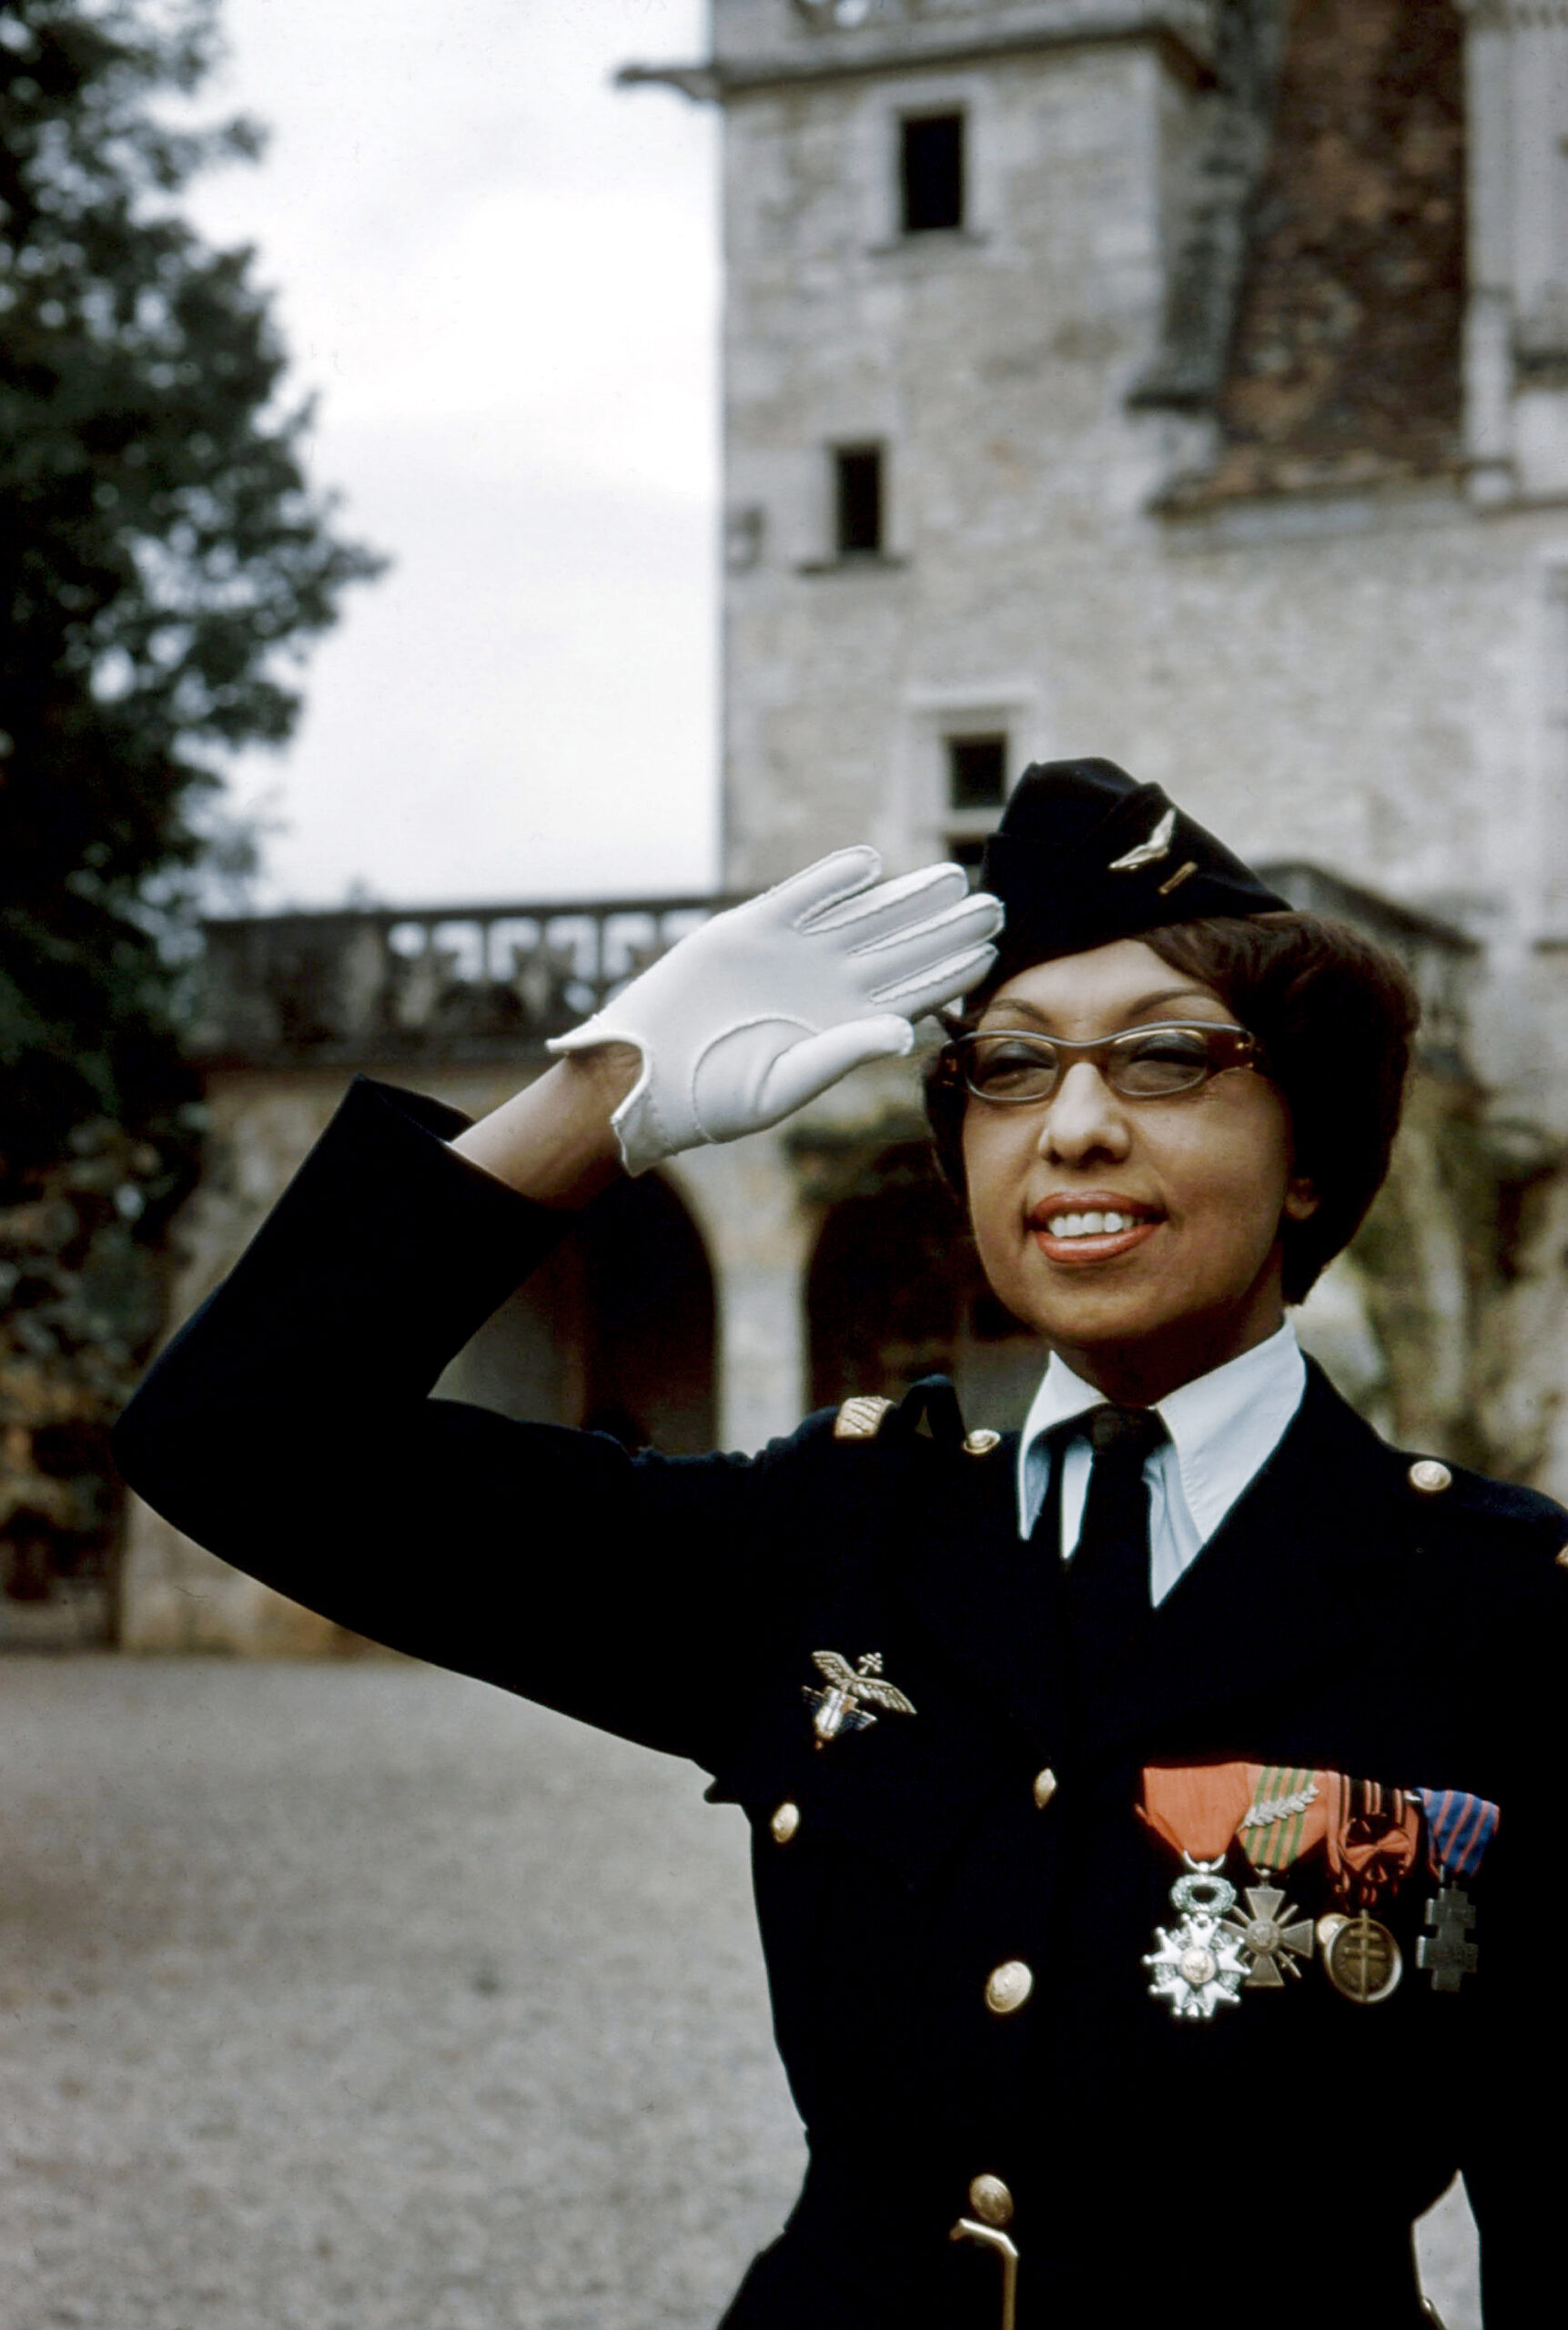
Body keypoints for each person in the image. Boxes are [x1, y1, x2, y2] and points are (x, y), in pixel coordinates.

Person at [113, 760, 1565, 2330]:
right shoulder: (831, 1540)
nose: (1068, 1129)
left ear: (1309, 1161)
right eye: (1004, 1072)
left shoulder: (1501, 1606)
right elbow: (240, 1441)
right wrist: (605, 1095)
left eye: (1162, 1061)